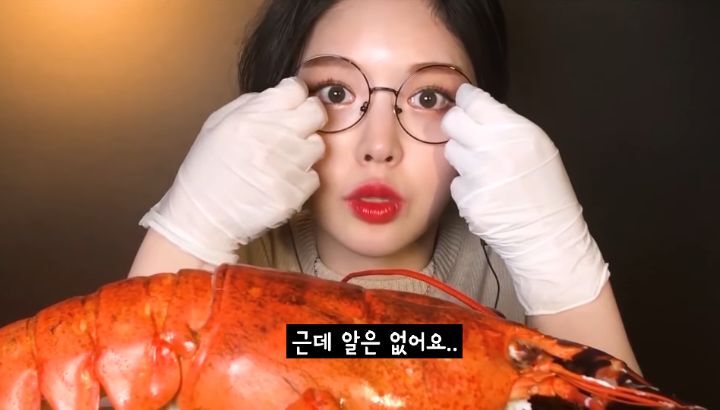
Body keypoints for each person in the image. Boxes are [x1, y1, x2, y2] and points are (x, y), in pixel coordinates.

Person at [128, 0, 641, 372]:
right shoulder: (221, 269)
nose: (379, 145)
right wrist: (185, 235)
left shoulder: (517, 274)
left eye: (429, 98)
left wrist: (563, 271)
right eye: (335, 92)